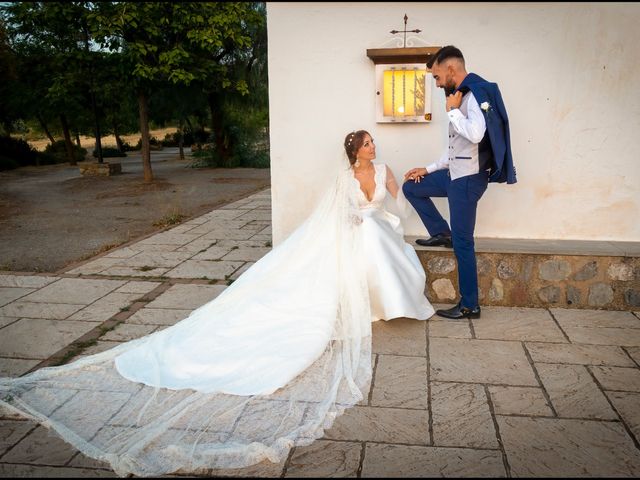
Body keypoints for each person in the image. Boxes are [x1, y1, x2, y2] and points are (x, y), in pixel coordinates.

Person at [0, 130, 433, 478]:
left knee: (380, 239)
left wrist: (403, 188)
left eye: (373, 143)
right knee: (362, 243)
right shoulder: (343, 180)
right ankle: (366, 303)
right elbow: (335, 214)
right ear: (354, 152)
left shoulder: (384, 168)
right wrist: (354, 218)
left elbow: (394, 200)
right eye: (367, 144)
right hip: (356, 231)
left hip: (380, 228)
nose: (373, 147)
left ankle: (386, 303)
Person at [402, 45, 516, 321]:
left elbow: (476, 135)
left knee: (463, 244)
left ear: (451, 69)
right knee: (413, 187)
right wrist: (427, 169)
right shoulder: (458, 96)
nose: (437, 82)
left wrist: (453, 112)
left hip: (468, 180)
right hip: (454, 174)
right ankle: (442, 232)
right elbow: (454, 147)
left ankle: (469, 305)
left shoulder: (474, 94)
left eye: (438, 77)